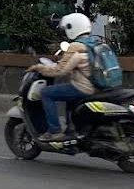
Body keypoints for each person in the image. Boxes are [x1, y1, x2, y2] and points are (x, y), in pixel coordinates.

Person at [27, 12, 96, 142]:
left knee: (46, 93)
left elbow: (59, 70)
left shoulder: (76, 46)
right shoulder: (95, 42)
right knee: (68, 94)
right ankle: (71, 127)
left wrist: (39, 68)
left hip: (85, 88)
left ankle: (55, 131)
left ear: (72, 28)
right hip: (99, 87)